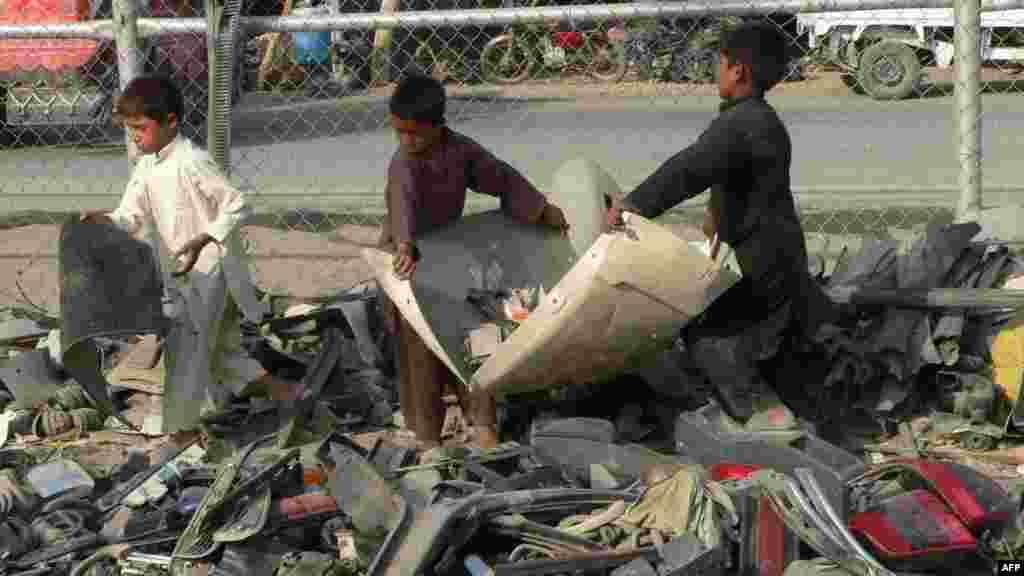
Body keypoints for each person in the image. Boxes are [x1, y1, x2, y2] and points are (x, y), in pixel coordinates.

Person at [606, 22, 834, 431]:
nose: (715, 70)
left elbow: (687, 169)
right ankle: (774, 401)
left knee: (706, 335)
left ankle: (765, 417)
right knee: (759, 341)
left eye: (720, 63)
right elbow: (725, 174)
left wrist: (632, 206)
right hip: (777, 257)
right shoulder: (757, 119)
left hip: (762, 264)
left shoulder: (740, 124)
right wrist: (714, 215)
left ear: (738, 71)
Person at [81, 75, 301, 450]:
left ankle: (181, 432)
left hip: (212, 271)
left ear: (170, 121)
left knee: (185, 352)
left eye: (141, 127)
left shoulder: (192, 161)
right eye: (130, 129)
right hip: (186, 275)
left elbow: (237, 203)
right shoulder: (147, 166)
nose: (135, 136)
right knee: (221, 353)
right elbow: (129, 216)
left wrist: (205, 236)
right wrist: (103, 219)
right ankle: (291, 394)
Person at [379, 73, 570, 449]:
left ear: (438, 126)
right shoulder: (403, 164)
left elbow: (503, 179)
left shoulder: (460, 151)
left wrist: (541, 209)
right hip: (406, 263)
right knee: (421, 346)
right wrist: (404, 246)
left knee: (473, 334)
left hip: (449, 253)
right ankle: (428, 438)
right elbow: (402, 207)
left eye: (414, 133)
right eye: (399, 132)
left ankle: (483, 425)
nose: (406, 141)